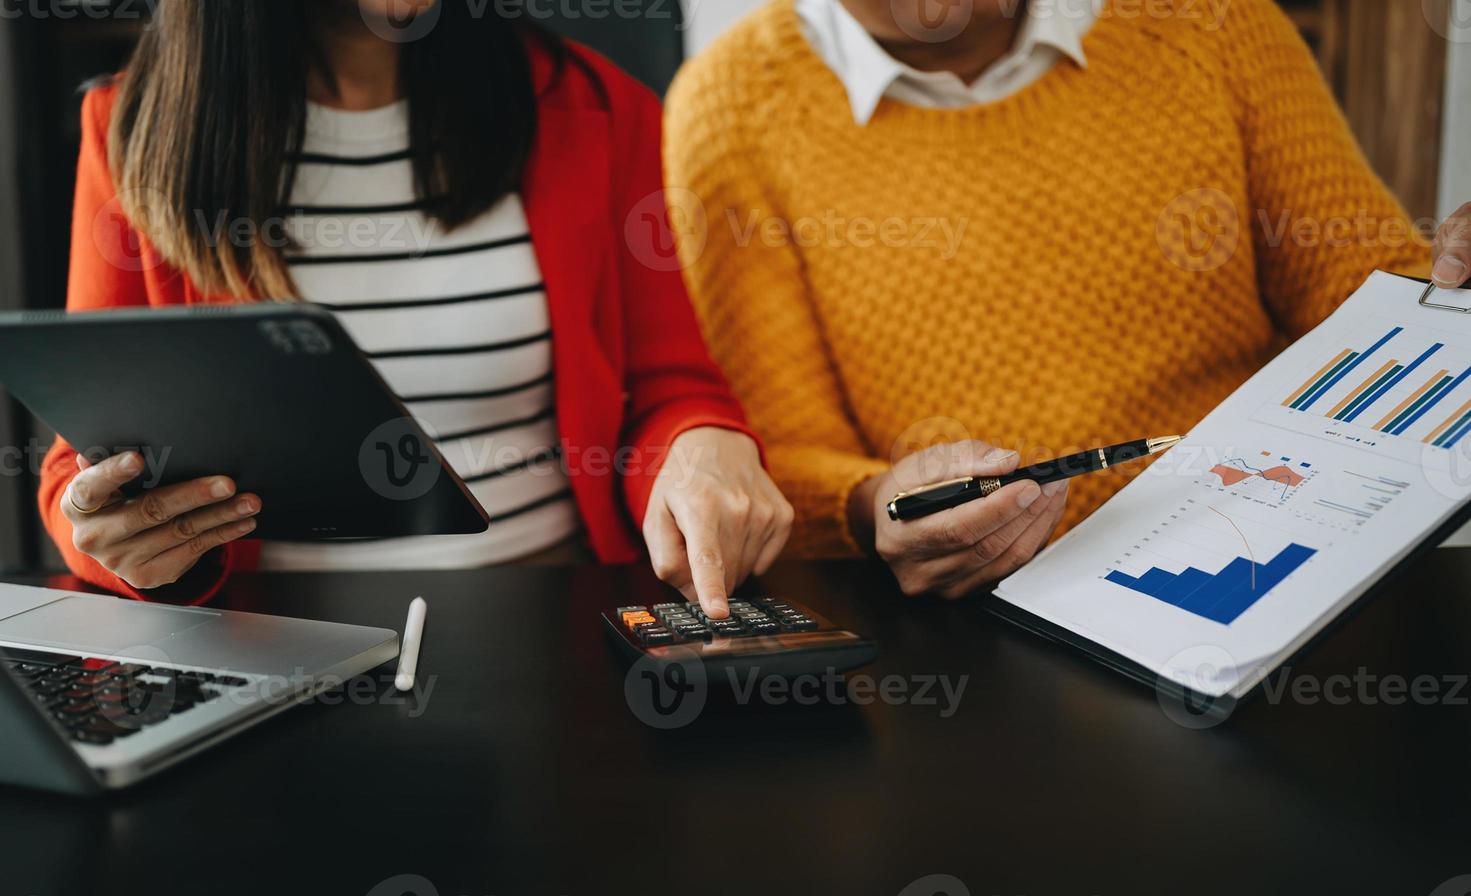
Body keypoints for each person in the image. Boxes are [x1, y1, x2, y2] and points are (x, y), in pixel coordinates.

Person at [666, 0, 1471, 599]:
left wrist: (1450, 293)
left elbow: (1365, 294)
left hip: (1266, 570)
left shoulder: (1210, 22)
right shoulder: (731, 106)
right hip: (969, 635)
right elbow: (781, 449)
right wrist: (877, 502)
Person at [39, 0, 793, 618]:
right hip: (266, 647)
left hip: (558, 626)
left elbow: (670, 386)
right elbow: (86, 466)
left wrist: (702, 440)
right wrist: (122, 545)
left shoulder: (595, 104)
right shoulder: (132, 128)